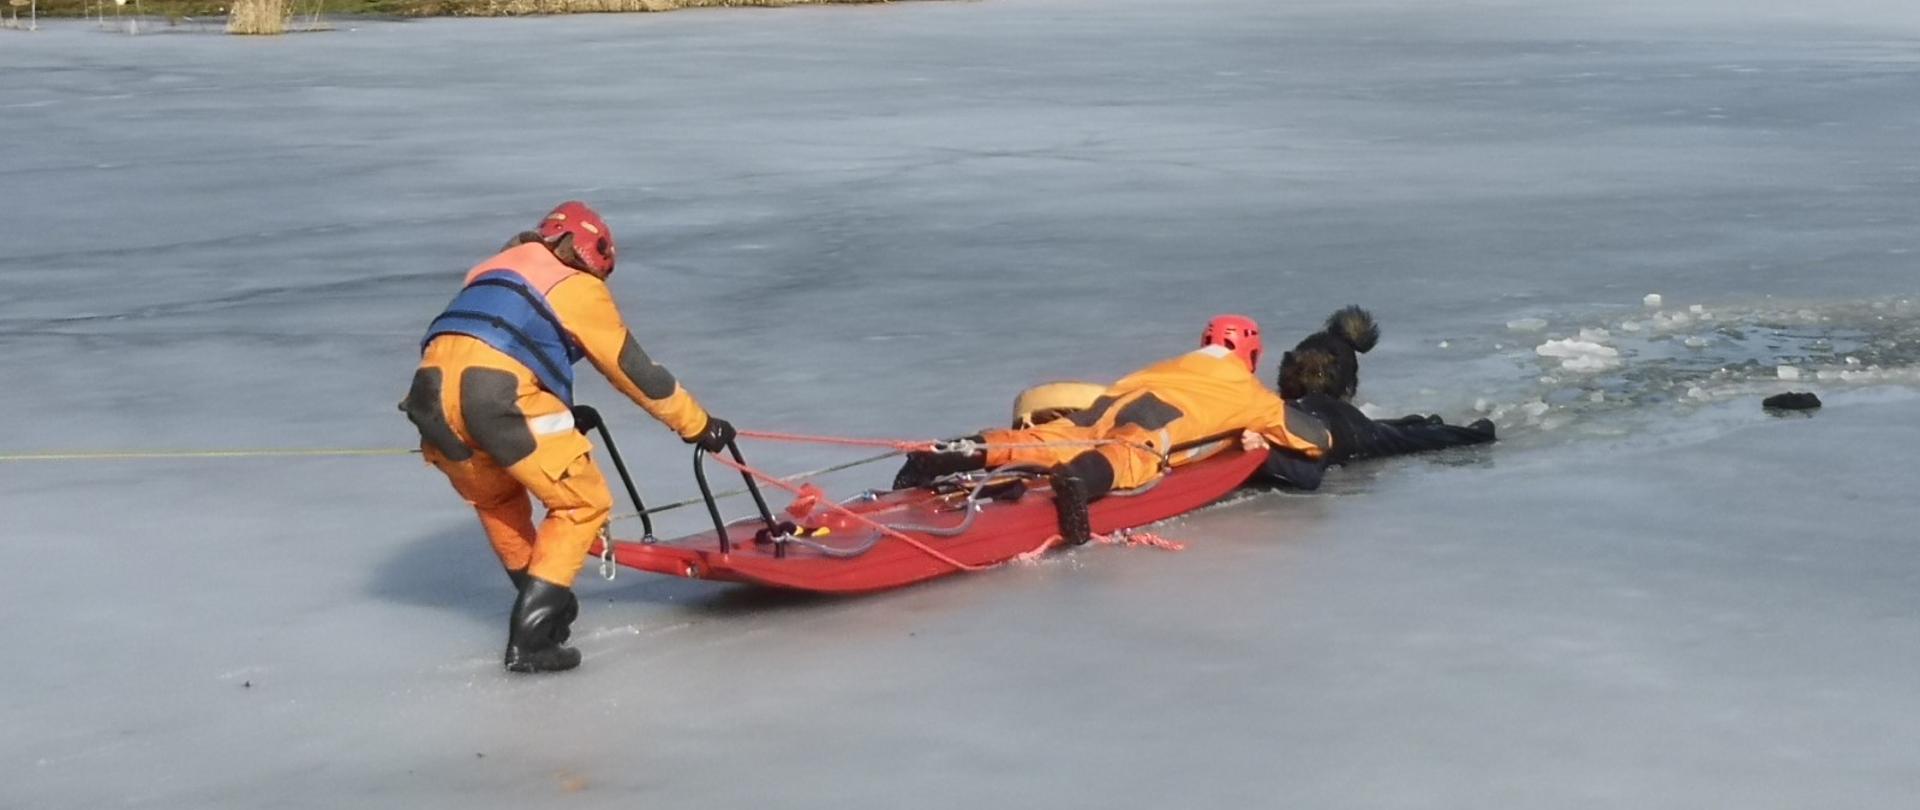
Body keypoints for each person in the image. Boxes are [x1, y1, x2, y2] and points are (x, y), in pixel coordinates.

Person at [401, 201, 735, 674]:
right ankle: (533, 637)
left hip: (430, 401)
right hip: (497, 399)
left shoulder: (490, 271)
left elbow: (499, 343)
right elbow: (634, 370)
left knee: (497, 501)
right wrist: (698, 425)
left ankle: (545, 607)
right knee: (583, 503)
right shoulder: (575, 286)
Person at [894, 315, 1333, 545]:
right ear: (1252, 354)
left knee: (1044, 440)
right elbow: (1317, 441)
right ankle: (1079, 480)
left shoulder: (1172, 364)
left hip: (1108, 406)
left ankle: (950, 451)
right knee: (1131, 455)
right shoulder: (1252, 395)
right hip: (1157, 423)